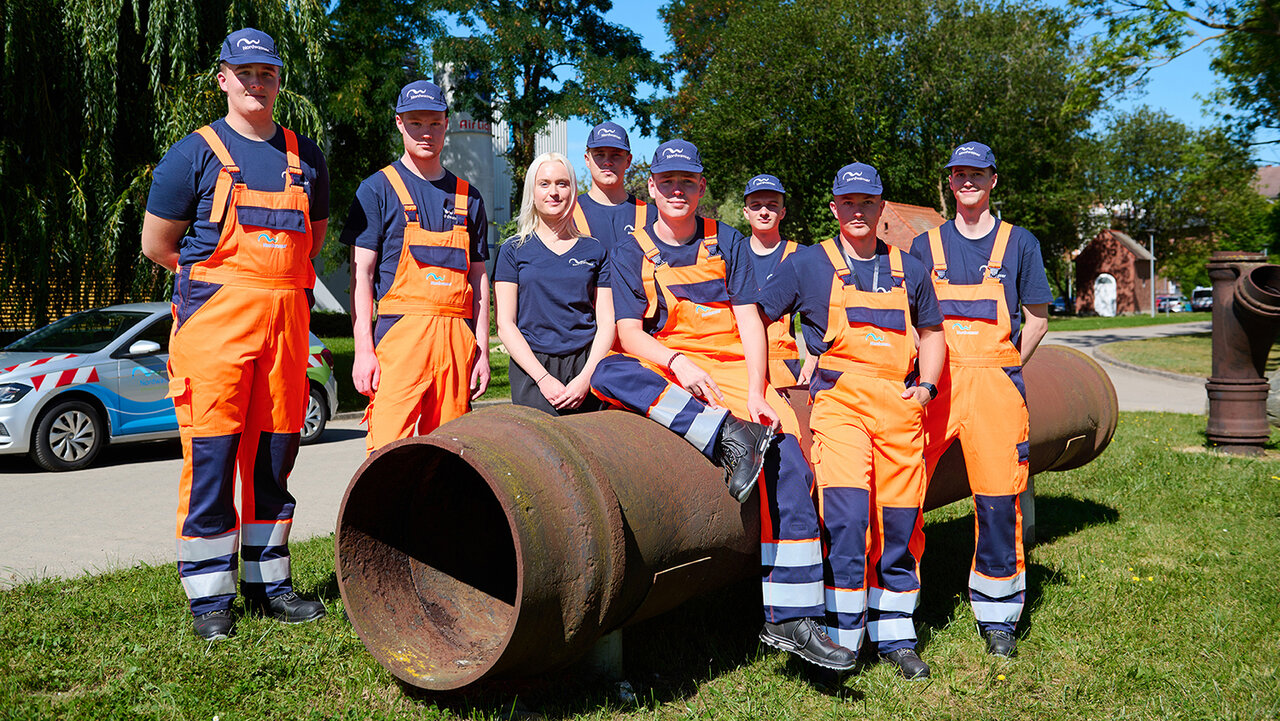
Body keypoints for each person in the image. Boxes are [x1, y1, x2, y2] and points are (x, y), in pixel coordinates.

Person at [589, 140, 855, 671]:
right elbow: (628, 332)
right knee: (607, 370)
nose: (677, 190)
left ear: (701, 187)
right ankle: (724, 435)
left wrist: (756, 391)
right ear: (651, 187)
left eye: (687, 181)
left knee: (789, 459)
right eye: (667, 181)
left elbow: (750, 320)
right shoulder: (629, 248)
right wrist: (678, 363)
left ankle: (794, 618)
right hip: (670, 363)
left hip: (732, 368)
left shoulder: (726, 239)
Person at [141, 28, 329, 640]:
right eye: (245, 73)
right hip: (214, 329)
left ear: (278, 81)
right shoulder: (191, 154)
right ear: (223, 78)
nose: (257, 83)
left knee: (274, 461)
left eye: (267, 73)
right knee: (213, 461)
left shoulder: (307, 157)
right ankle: (210, 600)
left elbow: (313, 243)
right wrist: (227, 287)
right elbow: (157, 246)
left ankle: (270, 584)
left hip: (285, 330)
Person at [759, 162, 946, 679]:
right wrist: (758, 381)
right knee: (845, 520)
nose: (858, 211)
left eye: (867, 202)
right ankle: (843, 639)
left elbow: (933, 333)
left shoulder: (910, 267)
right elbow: (753, 313)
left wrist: (927, 387)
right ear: (834, 207)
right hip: (840, 406)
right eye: (848, 202)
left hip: (901, 408)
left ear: (881, 207)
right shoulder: (808, 264)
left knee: (901, 524)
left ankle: (896, 635)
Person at [908, 142, 1052, 658]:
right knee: (900, 493)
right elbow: (910, 320)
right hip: (936, 384)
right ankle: (895, 610)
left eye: (977, 173)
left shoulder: (1020, 243)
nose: (967, 181)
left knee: (998, 500)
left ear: (993, 180)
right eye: (959, 174)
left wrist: (1006, 363)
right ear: (950, 182)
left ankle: (998, 617)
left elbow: (1037, 319)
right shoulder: (924, 247)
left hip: (994, 387)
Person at [340, 80, 491, 453]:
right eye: (416, 123)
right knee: (388, 452)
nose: (426, 132)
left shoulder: (468, 197)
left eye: (435, 123)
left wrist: (482, 350)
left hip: (457, 343)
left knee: (451, 454)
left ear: (446, 123)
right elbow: (361, 276)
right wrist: (363, 350)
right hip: (399, 340)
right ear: (399, 123)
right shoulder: (376, 189)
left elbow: (479, 280)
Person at [495, 152, 614, 415]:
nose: (554, 192)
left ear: (573, 189)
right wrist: (542, 379)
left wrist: (586, 378)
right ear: (532, 191)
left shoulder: (595, 250)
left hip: (585, 368)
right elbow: (505, 324)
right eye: (544, 184)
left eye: (562, 183)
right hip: (532, 369)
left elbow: (607, 323)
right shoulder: (513, 250)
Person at [739, 174, 812, 388]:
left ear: (783, 212)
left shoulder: (802, 256)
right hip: (738, 362)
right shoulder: (730, 254)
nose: (764, 212)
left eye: (772, 205)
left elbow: (819, 315)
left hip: (783, 366)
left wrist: (812, 359)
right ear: (746, 212)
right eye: (756, 205)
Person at [573, 121, 653, 251]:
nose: (608, 162)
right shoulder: (567, 214)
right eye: (599, 154)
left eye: (616, 155)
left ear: (628, 161)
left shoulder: (650, 215)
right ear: (587, 159)